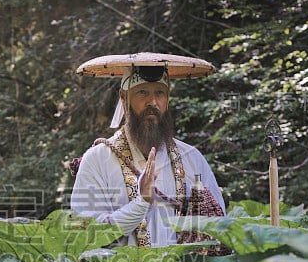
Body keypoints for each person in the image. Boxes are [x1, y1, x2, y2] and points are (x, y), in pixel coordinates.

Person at [70, 62, 225, 247]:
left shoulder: (192, 157)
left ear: (167, 99)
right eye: (142, 92)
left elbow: (219, 226)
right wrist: (141, 203)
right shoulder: (97, 159)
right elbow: (85, 233)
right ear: (123, 97)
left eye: (159, 92)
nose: (152, 102)